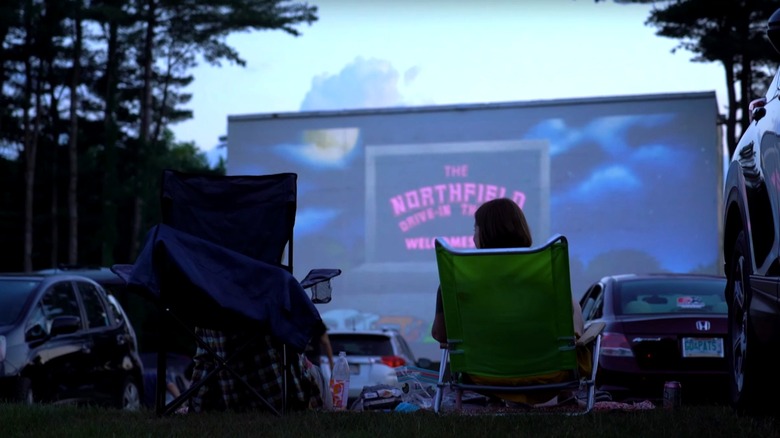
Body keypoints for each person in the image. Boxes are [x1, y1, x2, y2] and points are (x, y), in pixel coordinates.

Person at [430, 197, 587, 406]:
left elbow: (440, 334)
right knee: (572, 304)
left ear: (484, 234)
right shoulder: (546, 277)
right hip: (551, 375)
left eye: (475, 230)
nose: (472, 237)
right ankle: (567, 395)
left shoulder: (457, 282)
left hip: (482, 376)